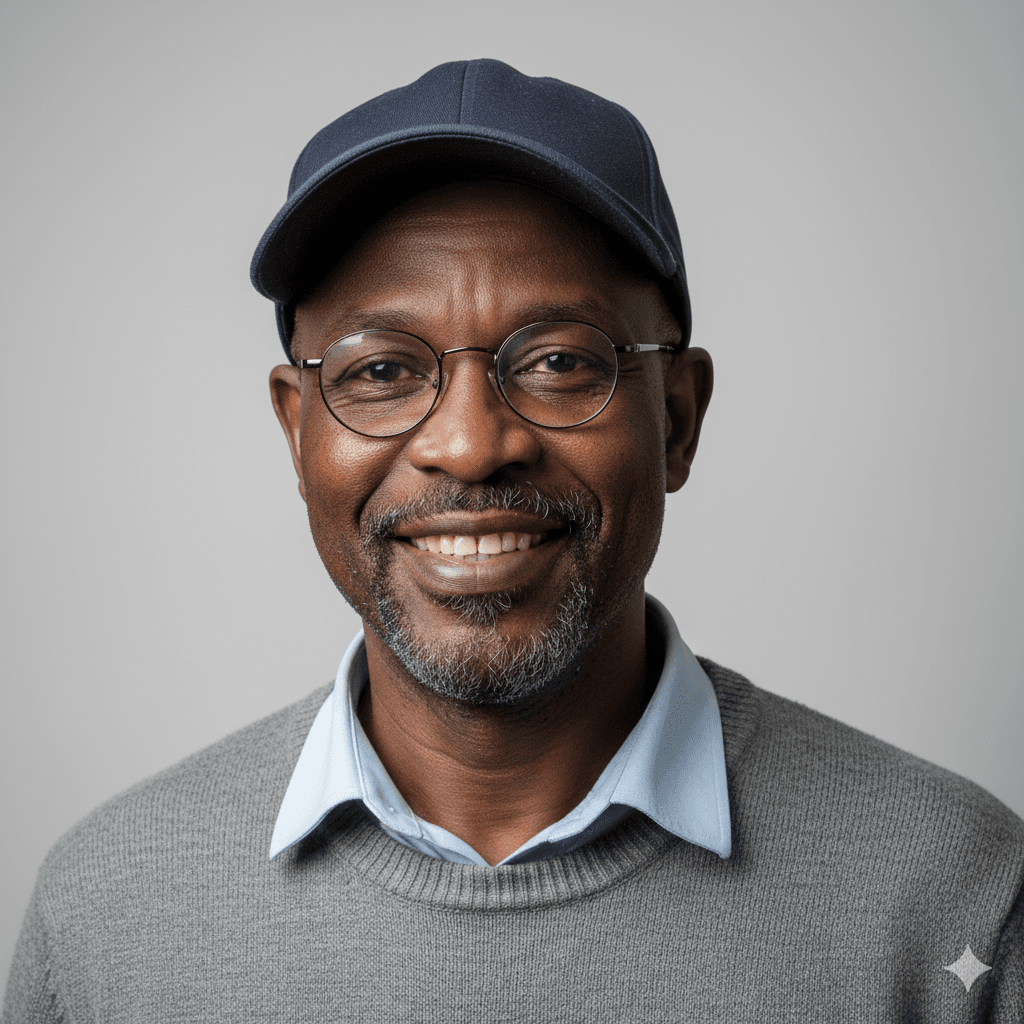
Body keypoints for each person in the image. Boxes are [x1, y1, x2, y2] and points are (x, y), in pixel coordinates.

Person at [3, 58, 1021, 1023]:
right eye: (381, 371)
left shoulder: (953, 896)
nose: (469, 444)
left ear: (676, 417)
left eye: (559, 362)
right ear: (296, 431)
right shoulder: (106, 918)